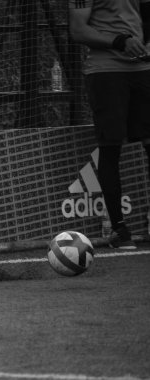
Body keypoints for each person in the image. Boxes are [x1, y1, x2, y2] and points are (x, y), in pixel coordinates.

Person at [69, 0, 150, 249]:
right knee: (110, 148)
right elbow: (78, 30)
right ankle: (119, 229)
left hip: (143, 69)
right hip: (106, 72)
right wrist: (119, 41)